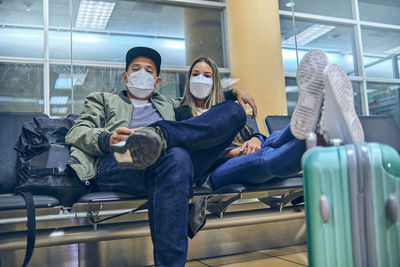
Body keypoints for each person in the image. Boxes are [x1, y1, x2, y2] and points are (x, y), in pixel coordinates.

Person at [65, 46, 256, 267]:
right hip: (120, 160)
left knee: (232, 114)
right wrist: (107, 139)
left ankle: (158, 134)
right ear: (125, 76)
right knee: (177, 156)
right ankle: (154, 137)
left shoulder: (169, 104)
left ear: (157, 82)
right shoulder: (102, 99)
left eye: (149, 70)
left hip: (166, 162)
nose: (142, 74)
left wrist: (234, 93)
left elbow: (203, 105)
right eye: (136, 69)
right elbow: (76, 132)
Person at [174, 51, 364, 190]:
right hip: (214, 170)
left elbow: (252, 132)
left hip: (247, 151)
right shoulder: (181, 113)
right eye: (195, 75)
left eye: (207, 76)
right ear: (188, 79)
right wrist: (229, 153)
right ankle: (323, 134)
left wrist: (255, 140)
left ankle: (320, 118)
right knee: (265, 158)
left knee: (273, 139)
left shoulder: (223, 109)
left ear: (215, 82)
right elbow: (187, 154)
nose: (201, 80)